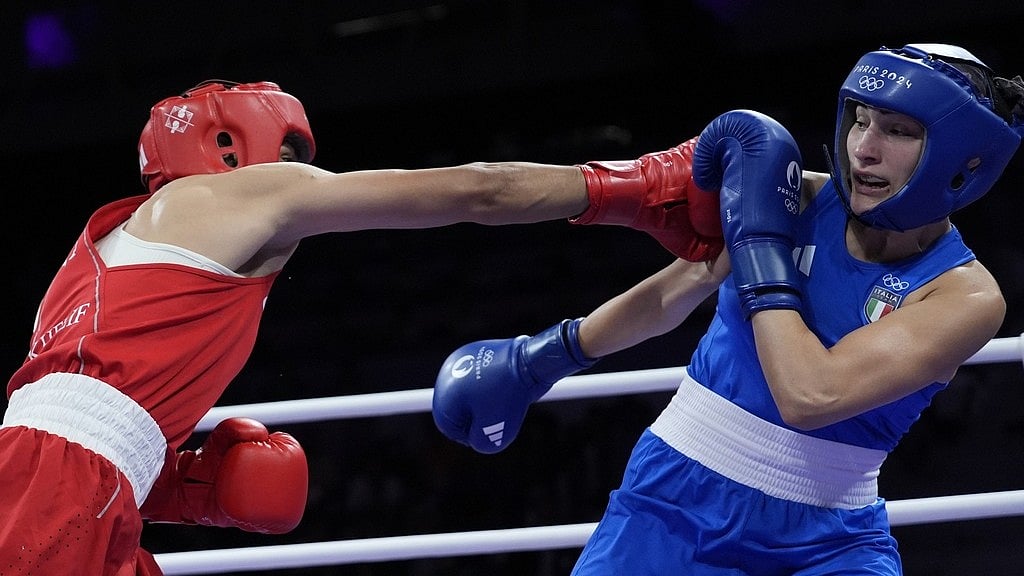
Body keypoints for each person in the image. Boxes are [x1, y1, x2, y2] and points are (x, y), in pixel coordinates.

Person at [0, 79, 724, 575]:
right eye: (290, 156)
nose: (301, 174)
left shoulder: (94, 260)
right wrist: (636, 187)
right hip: (67, 489)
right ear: (231, 149)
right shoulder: (239, 195)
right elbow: (478, 189)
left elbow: (62, 434)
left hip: (79, 490)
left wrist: (187, 489)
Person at [432, 43, 1024, 573]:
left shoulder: (963, 296)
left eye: (897, 131)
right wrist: (542, 358)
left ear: (961, 156)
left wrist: (760, 253)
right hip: (671, 503)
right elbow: (673, 292)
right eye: (861, 121)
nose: (864, 149)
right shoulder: (798, 196)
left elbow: (810, 396)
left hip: (828, 542)